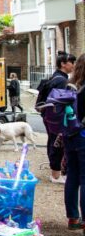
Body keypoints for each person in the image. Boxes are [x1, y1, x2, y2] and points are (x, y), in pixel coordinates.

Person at [42, 51, 76, 184]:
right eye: (71, 62)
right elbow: (63, 101)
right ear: (63, 64)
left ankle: (55, 172)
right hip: (58, 118)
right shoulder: (62, 80)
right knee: (58, 143)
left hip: (49, 117)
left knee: (52, 142)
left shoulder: (54, 77)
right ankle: (56, 175)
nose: (73, 65)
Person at [66, 53, 85, 233]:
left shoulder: (70, 86)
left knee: (72, 177)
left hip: (70, 136)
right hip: (83, 135)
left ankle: (73, 218)